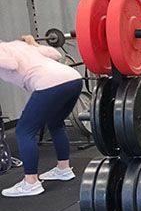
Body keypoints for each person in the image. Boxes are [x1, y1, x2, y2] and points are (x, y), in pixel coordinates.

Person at [0, 36, 83, 197]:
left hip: (50, 83)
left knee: (24, 131)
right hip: (73, 79)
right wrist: (33, 44)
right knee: (56, 123)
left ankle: (31, 183)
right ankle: (63, 169)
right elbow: (55, 54)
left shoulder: (5, 49)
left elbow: (11, 64)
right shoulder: (18, 45)